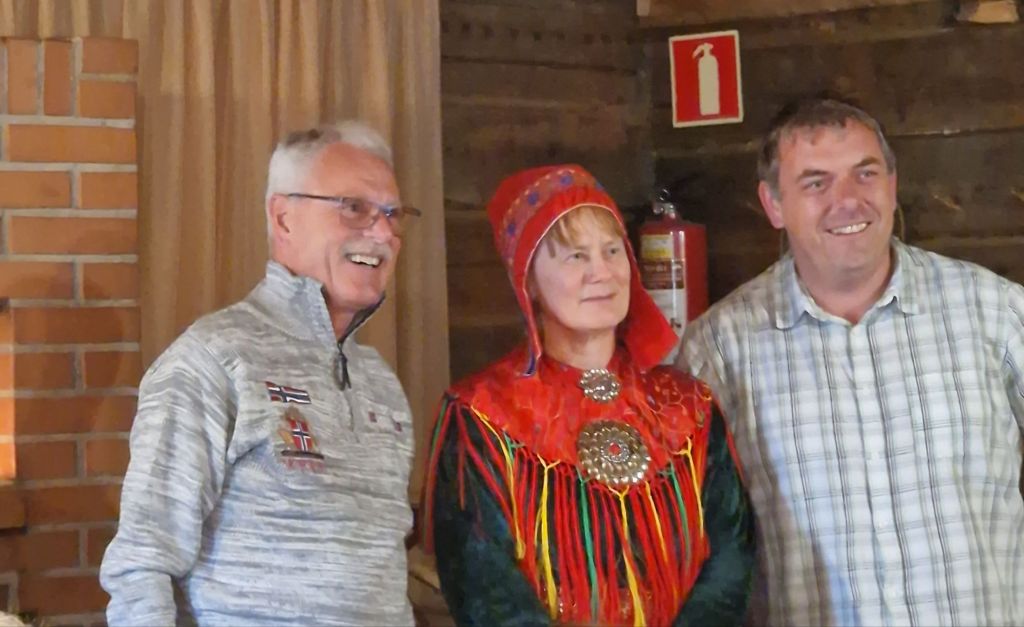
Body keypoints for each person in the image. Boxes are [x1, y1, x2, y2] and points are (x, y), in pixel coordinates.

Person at [677, 97, 1024, 626]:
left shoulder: (995, 311)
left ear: (892, 183)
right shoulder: (719, 350)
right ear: (773, 204)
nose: (847, 200)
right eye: (816, 183)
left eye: (865, 173)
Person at [100, 122, 421, 626]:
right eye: (354, 208)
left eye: (392, 215)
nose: (382, 234)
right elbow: (142, 564)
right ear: (284, 218)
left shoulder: (381, 383)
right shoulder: (212, 360)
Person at [422, 164, 755, 626]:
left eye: (612, 251)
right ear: (528, 280)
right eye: (576, 256)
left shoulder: (687, 406)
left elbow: (731, 556)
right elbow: (484, 584)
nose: (602, 272)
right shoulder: (483, 414)